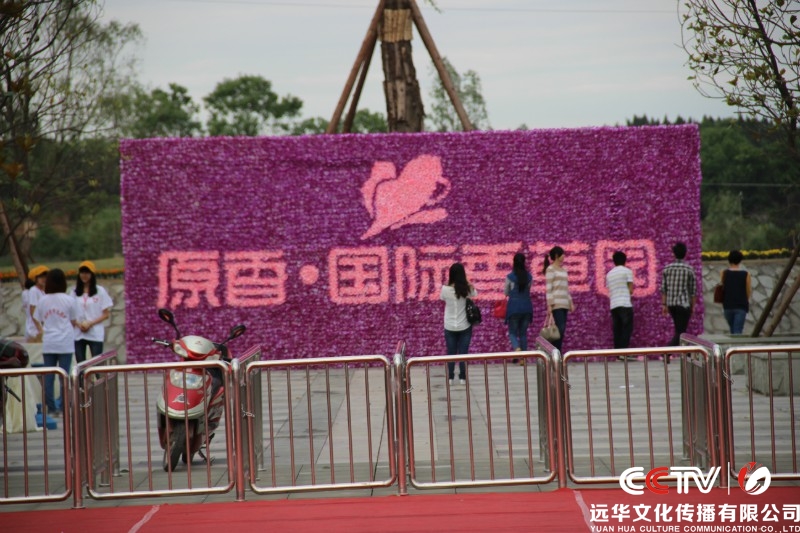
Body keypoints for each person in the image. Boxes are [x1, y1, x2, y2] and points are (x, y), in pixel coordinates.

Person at [33, 268, 79, 415]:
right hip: (65, 343)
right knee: (64, 377)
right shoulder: (69, 300)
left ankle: (51, 407)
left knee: (48, 377)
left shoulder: (42, 300)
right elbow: (73, 321)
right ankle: (64, 406)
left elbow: (38, 318)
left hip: (49, 342)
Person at [439, 262, 477, 385]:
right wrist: (467, 282)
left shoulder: (445, 289)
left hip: (449, 326)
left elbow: (442, 298)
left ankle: (450, 377)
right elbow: (475, 293)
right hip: (464, 325)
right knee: (463, 353)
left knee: (451, 352)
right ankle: (462, 378)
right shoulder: (466, 289)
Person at [660, 242, 697, 360]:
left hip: (671, 304)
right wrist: (693, 306)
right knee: (681, 332)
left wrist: (664, 304)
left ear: (673, 253)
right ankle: (667, 352)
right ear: (685, 253)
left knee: (679, 330)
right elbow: (693, 291)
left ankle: (686, 353)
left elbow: (664, 289)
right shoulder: (689, 269)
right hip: (683, 303)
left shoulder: (667, 268)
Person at [72, 260, 113, 363]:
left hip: (95, 332)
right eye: (82, 272)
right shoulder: (73, 292)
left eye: (87, 272)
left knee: (97, 363)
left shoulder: (100, 291)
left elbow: (106, 314)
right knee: (80, 364)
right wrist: (79, 324)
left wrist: (90, 323)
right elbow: (69, 313)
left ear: (92, 274)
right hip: (78, 332)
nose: (84, 275)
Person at [544, 246, 574, 351]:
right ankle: (555, 353)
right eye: (562, 254)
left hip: (564, 304)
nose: (564, 256)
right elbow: (549, 288)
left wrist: (570, 302)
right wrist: (549, 305)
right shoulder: (550, 269)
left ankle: (557, 353)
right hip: (556, 304)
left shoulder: (564, 270)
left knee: (561, 331)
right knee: (558, 330)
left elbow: (566, 288)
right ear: (557, 255)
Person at [504, 252, 533, 361]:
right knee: (523, 334)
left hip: (514, 308)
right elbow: (528, 290)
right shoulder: (529, 277)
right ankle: (523, 359)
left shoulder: (510, 277)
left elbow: (506, 292)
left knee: (512, 332)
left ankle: (517, 348)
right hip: (527, 307)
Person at [606, 251, 634, 351]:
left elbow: (609, 289)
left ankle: (617, 352)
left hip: (614, 304)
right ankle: (623, 351)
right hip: (625, 303)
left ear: (614, 261)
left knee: (617, 329)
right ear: (625, 260)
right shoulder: (627, 271)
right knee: (627, 328)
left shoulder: (609, 274)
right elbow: (630, 290)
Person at [720, 250, 751, 334]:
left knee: (733, 329)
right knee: (737, 330)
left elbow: (722, 287)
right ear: (740, 260)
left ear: (729, 260)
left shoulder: (724, 273)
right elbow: (748, 291)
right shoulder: (746, 274)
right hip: (741, 306)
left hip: (727, 306)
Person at [27, 265, 49, 342]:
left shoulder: (45, 291)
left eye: (45, 277)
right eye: (41, 277)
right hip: (35, 329)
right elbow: (33, 310)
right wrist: (39, 328)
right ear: (36, 279)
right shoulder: (34, 290)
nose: (44, 279)